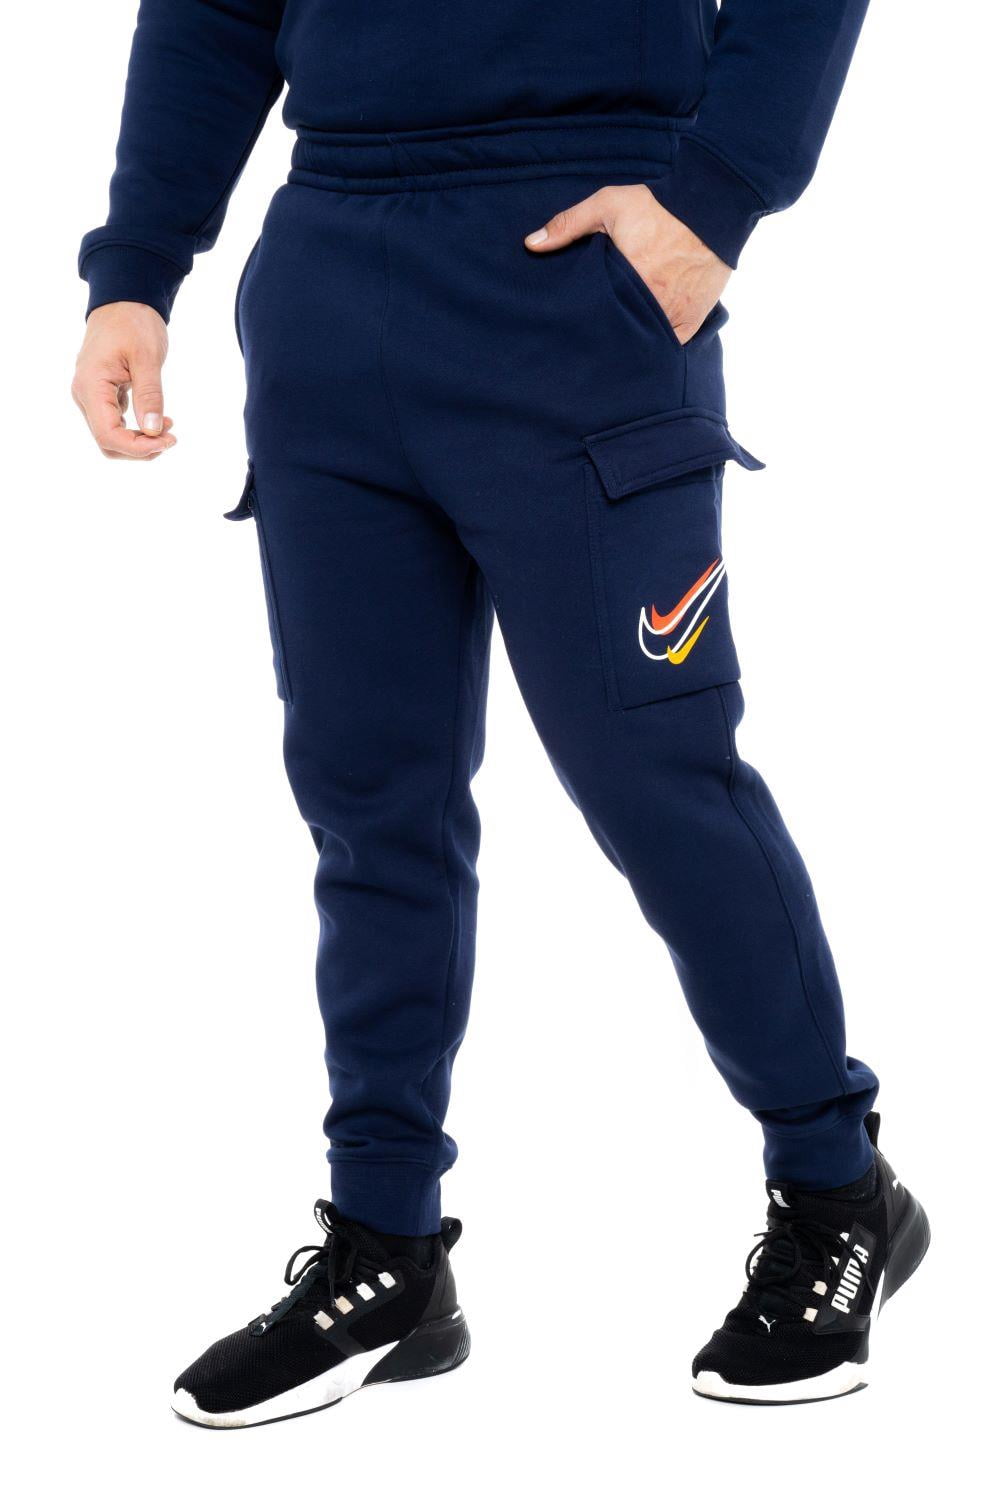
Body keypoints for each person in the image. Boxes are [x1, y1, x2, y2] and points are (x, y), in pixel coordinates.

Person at [74, 1, 929, 1422]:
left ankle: (839, 1188)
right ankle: (387, 1246)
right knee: (370, 798)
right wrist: (135, 273)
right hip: (327, 277)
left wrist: (715, 197)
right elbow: (215, 10)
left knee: (656, 777)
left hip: (578, 276)